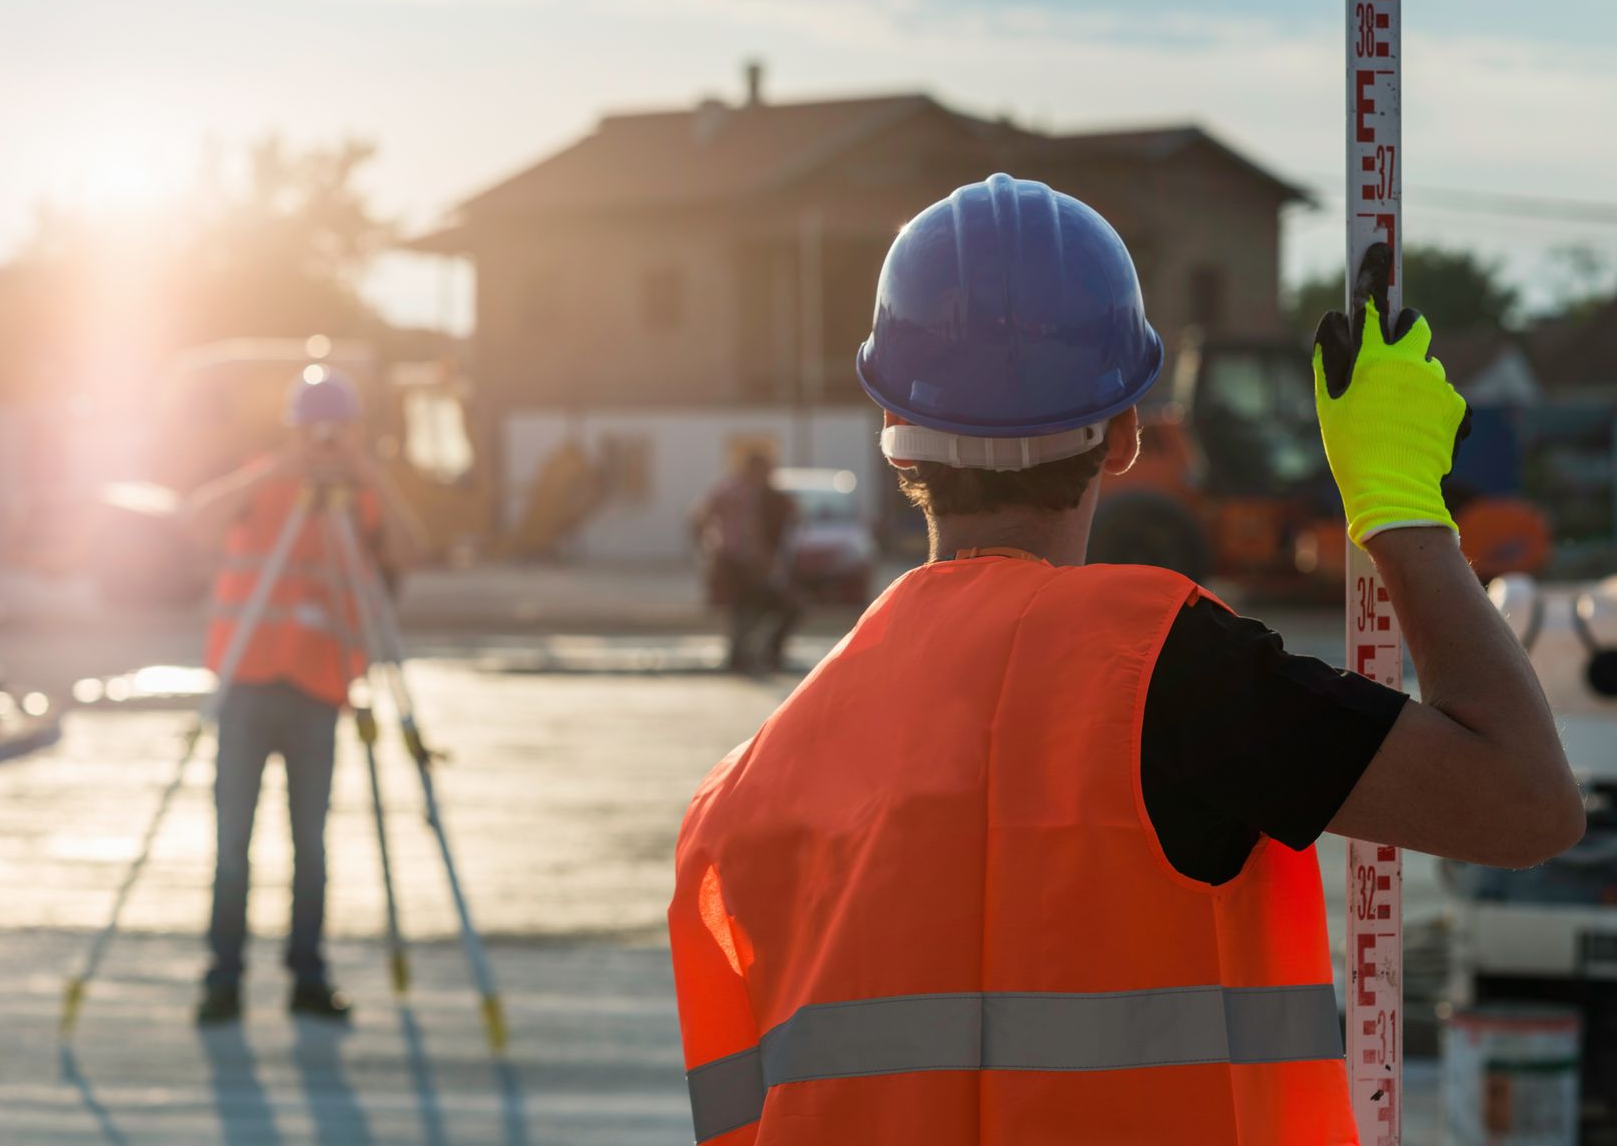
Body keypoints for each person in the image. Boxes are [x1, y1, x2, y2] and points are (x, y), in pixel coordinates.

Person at [667, 175, 1583, 1143]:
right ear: (1126, 435)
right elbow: (1526, 802)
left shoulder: (741, 799)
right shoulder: (1172, 677)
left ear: (896, 444)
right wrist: (1404, 510)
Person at [184, 370, 426, 1025]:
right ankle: (223, 977)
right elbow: (196, 522)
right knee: (232, 839)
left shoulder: (361, 501)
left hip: (318, 688)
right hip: (247, 684)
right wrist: (280, 470)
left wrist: (369, 476)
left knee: (311, 844)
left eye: (336, 430)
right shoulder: (260, 482)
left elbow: (412, 550)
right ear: (292, 428)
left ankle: (307, 974)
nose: (323, 441)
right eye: (314, 429)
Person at [691, 452, 800, 673]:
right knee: (760, 606)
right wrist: (766, 562)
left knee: (743, 609)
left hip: (727, 559)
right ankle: (756, 653)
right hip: (745, 562)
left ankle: (742, 654)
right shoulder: (749, 494)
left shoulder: (725, 487)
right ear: (756, 470)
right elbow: (751, 532)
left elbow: (698, 518)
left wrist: (708, 547)